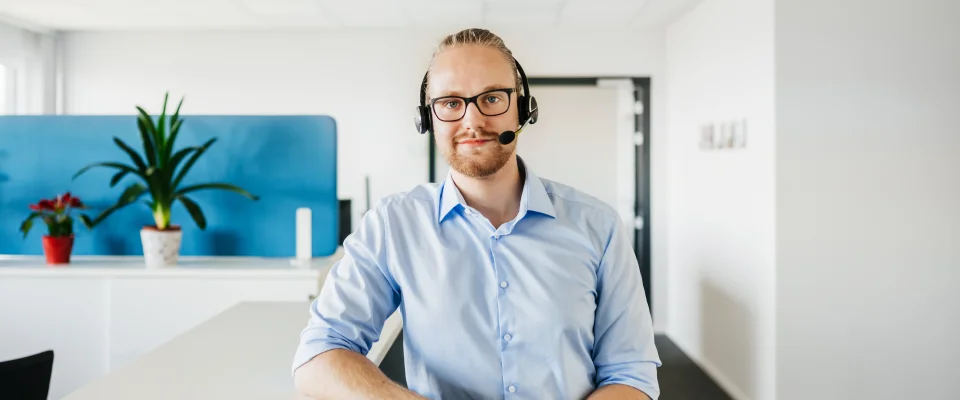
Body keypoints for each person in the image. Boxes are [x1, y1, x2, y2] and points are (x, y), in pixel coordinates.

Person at [292, 28, 661, 400]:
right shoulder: (393, 225)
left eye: (491, 98)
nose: (472, 120)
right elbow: (318, 356)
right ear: (427, 119)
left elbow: (632, 375)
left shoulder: (598, 226)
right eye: (451, 103)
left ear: (522, 106)